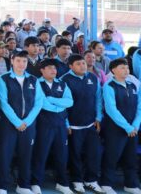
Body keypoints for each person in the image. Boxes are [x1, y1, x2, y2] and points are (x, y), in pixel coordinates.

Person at [0, 51, 45, 194]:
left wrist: (27, 121)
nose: (21, 64)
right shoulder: (3, 79)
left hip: (28, 125)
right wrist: (17, 122)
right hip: (9, 124)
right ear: (12, 61)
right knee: (5, 155)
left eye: (24, 61)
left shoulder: (33, 80)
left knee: (26, 155)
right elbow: (3, 102)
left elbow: (39, 102)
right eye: (18, 60)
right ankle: (2, 186)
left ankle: (23, 185)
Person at [60, 54, 103, 193]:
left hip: (91, 124)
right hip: (73, 126)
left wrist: (98, 118)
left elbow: (98, 99)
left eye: (83, 63)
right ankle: (77, 180)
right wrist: (66, 123)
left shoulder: (93, 78)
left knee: (93, 153)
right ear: (71, 66)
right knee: (75, 154)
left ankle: (91, 180)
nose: (83, 66)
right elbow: (62, 106)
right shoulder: (64, 80)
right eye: (78, 64)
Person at [31, 59, 74, 194]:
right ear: (42, 70)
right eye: (49, 68)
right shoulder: (37, 83)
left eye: (54, 68)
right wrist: (58, 106)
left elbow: (70, 101)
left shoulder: (62, 83)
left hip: (60, 124)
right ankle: (35, 183)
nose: (53, 70)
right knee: (41, 154)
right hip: (44, 124)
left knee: (62, 154)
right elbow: (42, 103)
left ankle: (62, 183)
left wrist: (53, 100)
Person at [100, 58, 141, 194]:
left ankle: (130, 184)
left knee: (131, 157)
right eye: (122, 67)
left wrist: (135, 125)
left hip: (133, 129)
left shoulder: (133, 85)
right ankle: (106, 183)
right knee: (112, 156)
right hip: (115, 128)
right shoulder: (109, 86)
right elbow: (111, 110)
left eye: (127, 67)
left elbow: (139, 108)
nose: (126, 70)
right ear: (113, 70)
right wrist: (127, 127)